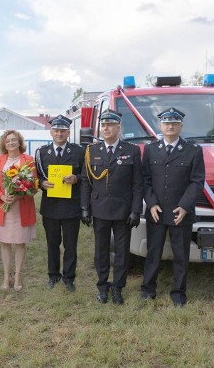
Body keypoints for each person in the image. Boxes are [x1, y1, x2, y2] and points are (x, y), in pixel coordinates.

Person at [140, 107, 205, 307]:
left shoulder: (193, 150)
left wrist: (185, 207)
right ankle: (148, 289)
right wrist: (151, 204)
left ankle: (178, 294)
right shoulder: (151, 150)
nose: (170, 126)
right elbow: (145, 180)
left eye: (174, 123)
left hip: (180, 213)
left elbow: (197, 181)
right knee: (153, 253)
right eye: (167, 123)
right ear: (161, 125)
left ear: (181, 126)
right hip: (156, 212)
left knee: (180, 255)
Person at [80, 109, 143, 304]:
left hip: (123, 210)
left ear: (118, 127)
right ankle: (102, 286)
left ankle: (118, 287)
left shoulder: (131, 150)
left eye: (110, 125)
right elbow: (85, 181)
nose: (105, 128)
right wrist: (84, 207)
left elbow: (137, 184)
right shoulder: (92, 151)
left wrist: (135, 210)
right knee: (101, 250)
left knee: (122, 251)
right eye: (103, 125)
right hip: (100, 208)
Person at [35, 115, 85, 292]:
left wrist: (76, 178)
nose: (59, 133)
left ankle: (69, 278)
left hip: (71, 206)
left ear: (68, 132)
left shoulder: (79, 152)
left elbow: (86, 176)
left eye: (63, 131)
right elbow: (38, 176)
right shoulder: (41, 152)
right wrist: (42, 183)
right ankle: (53, 275)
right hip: (50, 207)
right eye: (56, 130)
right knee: (52, 243)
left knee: (70, 244)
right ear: (51, 132)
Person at [0, 130, 37, 291]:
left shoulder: (28, 160)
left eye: (14, 140)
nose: (11, 143)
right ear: (4, 143)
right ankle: (6, 276)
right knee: (4, 242)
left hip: (21, 207)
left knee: (19, 242)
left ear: (19, 142)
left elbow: (34, 185)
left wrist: (18, 195)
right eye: (8, 140)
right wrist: (2, 197)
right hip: (4, 208)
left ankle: (17, 276)